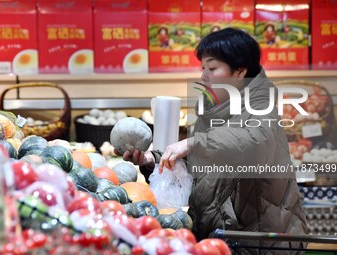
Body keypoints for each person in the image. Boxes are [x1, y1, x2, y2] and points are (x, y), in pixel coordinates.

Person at [121, 28, 308, 254]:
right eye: (202, 68)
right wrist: (155, 161)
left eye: (212, 68)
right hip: (221, 237)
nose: (203, 75)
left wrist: (193, 143)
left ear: (240, 71)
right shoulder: (213, 108)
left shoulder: (261, 105)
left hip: (260, 242)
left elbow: (253, 143)